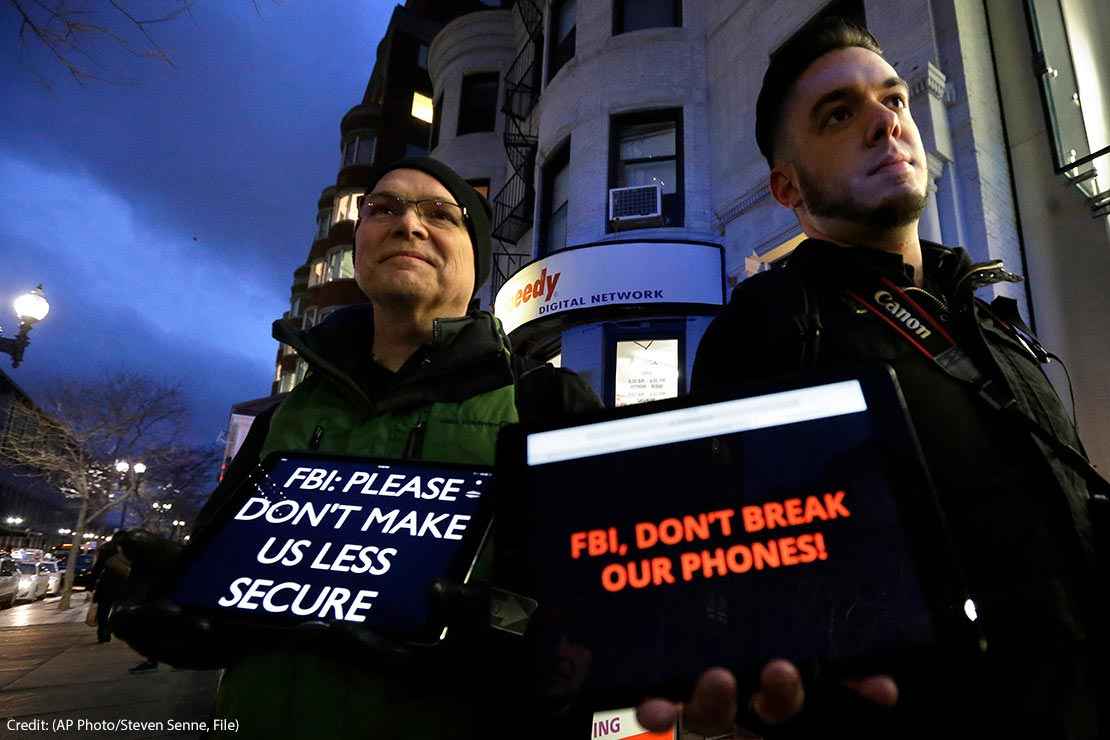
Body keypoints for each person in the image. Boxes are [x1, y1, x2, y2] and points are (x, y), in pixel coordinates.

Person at [637, 18, 1102, 740]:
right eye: (838, 114)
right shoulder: (766, 330)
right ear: (788, 187)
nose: (884, 123)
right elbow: (736, 586)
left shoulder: (983, 313)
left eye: (893, 100)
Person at [111, 156, 600, 738]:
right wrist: (179, 602)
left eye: (440, 214)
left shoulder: (547, 404)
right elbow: (223, 611)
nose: (408, 226)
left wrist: (513, 634)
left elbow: (606, 616)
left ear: (477, 262)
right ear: (361, 239)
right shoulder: (285, 419)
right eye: (384, 208)